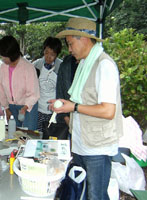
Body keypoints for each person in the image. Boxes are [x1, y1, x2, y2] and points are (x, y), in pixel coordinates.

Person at [50, 18, 123, 200]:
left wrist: (73, 107)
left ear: (84, 39)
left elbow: (108, 111)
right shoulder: (84, 64)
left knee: (96, 195)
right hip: (82, 143)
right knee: (82, 192)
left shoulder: (103, 65)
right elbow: (83, 100)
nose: (69, 49)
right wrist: (66, 106)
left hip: (97, 147)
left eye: (71, 44)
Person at [0, 35, 40, 131]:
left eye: (3, 56)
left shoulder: (28, 67)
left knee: (28, 134)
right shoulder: (3, 67)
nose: (2, 59)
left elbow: (34, 93)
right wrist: (6, 108)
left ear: (11, 54)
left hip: (28, 106)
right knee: (15, 133)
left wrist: (24, 108)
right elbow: (1, 89)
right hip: (12, 106)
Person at [33, 37, 62, 132]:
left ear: (57, 55)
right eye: (46, 53)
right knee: (38, 134)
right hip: (39, 109)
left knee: (51, 135)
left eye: (52, 54)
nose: (48, 57)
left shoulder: (61, 66)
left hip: (54, 110)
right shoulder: (37, 64)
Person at [55, 54, 79, 129]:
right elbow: (60, 92)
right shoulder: (65, 64)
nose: (70, 49)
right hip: (67, 118)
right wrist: (65, 117)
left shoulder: (96, 64)